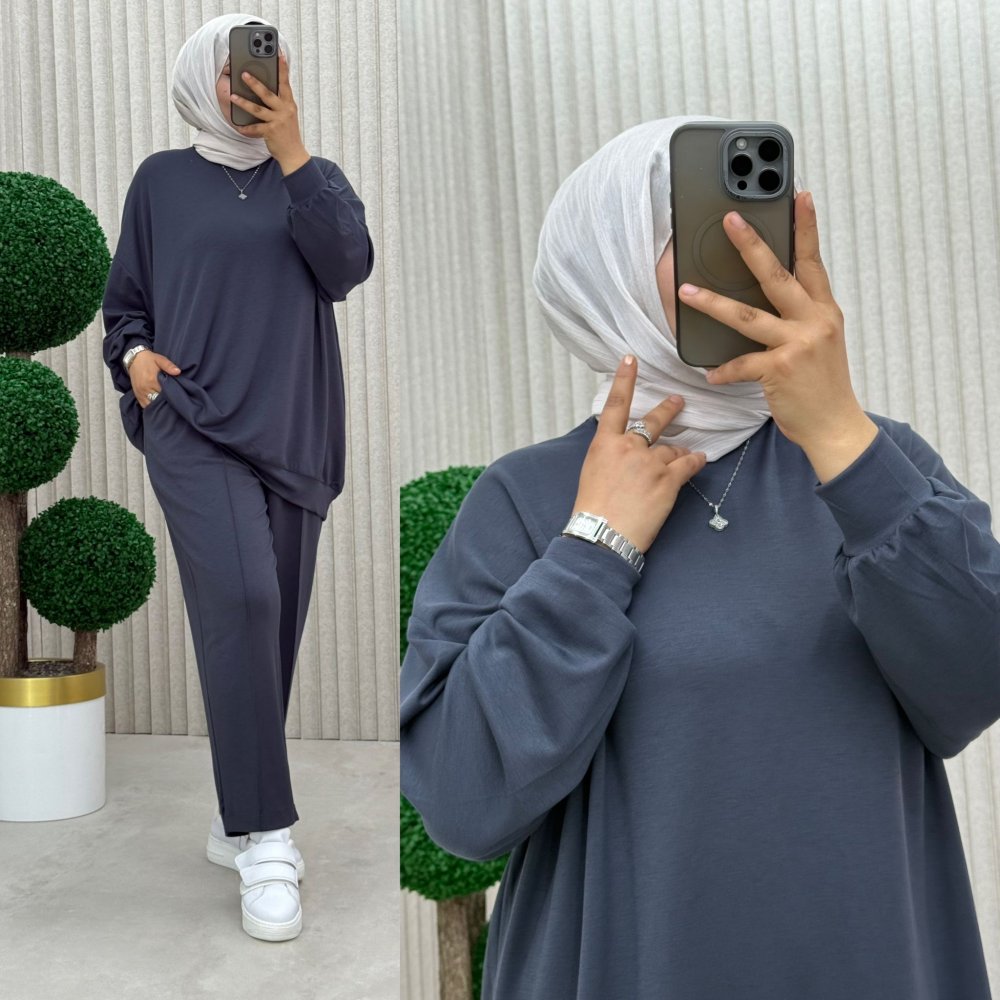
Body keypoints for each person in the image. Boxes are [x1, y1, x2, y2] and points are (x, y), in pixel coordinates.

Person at [399, 115, 1000, 997]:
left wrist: (841, 434)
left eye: (758, 219)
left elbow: (979, 682)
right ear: (606, 263)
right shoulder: (528, 496)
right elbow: (461, 804)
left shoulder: (873, 460)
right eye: (692, 224)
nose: (743, 247)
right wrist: (592, 548)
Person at [101, 13, 374, 943]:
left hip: (293, 429)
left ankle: (234, 813)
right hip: (193, 423)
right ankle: (268, 840)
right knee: (248, 601)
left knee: (271, 626)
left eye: (271, 68)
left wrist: (294, 151)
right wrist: (135, 360)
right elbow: (125, 305)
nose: (254, 84)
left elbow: (346, 268)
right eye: (236, 71)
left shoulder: (316, 180)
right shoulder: (161, 182)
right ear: (199, 80)